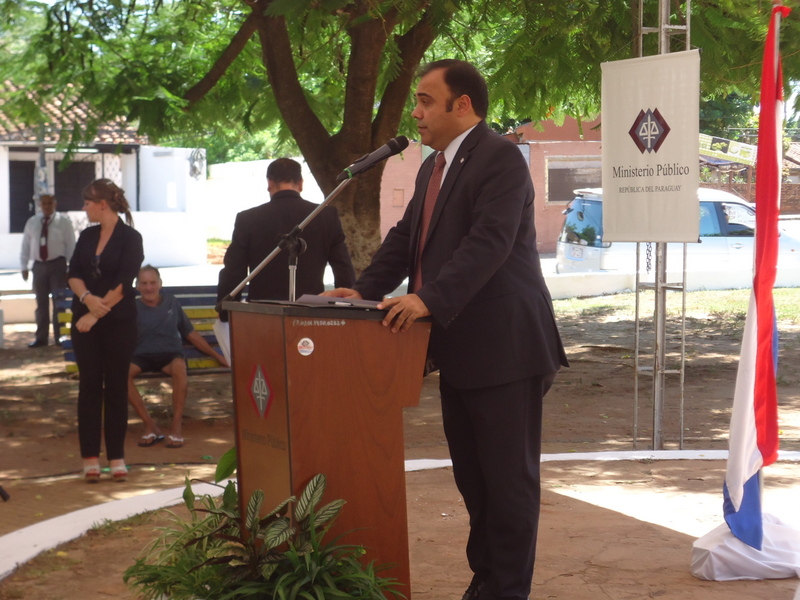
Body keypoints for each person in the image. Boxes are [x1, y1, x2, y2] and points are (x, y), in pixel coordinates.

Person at [324, 59, 569, 600]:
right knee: (475, 483)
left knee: (507, 484)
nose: (416, 112)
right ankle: (487, 582)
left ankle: (505, 591)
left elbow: (489, 242)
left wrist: (427, 298)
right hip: (460, 350)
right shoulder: (432, 168)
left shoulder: (500, 159)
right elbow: (407, 238)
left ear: (463, 105)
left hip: (507, 347)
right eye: (416, 100)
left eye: (426, 100)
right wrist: (364, 291)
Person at [68, 179, 143, 484]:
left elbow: (125, 282)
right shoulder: (87, 235)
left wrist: (95, 314)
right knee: (89, 387)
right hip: (85, 321)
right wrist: (87, 299)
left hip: (118, 323)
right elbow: (73, 273)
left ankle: (116, 457)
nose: (84, 207)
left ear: (102, 204)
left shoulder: (131, 237)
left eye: (87, 202)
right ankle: (89, 458)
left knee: (115, 387)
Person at [216, 157, 355, 312]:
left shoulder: (248, 218)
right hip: (311, 311)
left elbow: (234, 271)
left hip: (262, 313)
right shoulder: (325, 216)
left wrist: (225, 311)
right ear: (301, 183)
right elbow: (343, 268)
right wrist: (348, 308)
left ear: (269, 183)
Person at [128, 265, 229, 449]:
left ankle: (176, 427)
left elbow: (190, 333)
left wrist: (217, 355)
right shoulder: (132, 307)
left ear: (160, 284)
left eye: (153, 282)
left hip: (170, 356)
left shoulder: (171, 302)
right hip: (142, 357)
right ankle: (150, 426)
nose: (149, 287)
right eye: (144, 283)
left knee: (180, 368)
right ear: (137, 286)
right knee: (120, 375)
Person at [20, 194, 76, 347]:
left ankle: (60, 336)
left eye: (49, 203)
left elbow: (71, 245)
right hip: (39, 266)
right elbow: (25, 245)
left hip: (58, 265)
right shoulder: (32, 222)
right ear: (40, 205)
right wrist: (24, 266)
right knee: (41, 303)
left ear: (55, 204)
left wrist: (72, 268)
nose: (46, 206)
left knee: (59, 302)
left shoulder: (64, 222)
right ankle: (41, 338)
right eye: (43, 203)